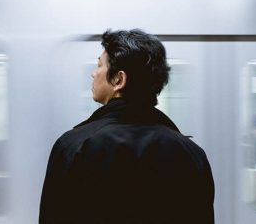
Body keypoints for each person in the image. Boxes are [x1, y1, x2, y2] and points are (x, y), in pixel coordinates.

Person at [39, 29, 214, 224]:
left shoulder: (74, 146)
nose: (93, 73)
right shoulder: (191, 154)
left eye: (99, 65)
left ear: (118, 80)